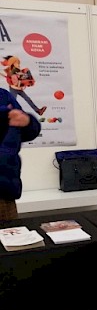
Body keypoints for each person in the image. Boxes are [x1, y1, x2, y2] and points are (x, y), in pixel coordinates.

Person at [0, 88, 42, 220]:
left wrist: (27, 122)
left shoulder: (3, 96)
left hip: (4, 190)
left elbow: (28, 131)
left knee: (11, 231)